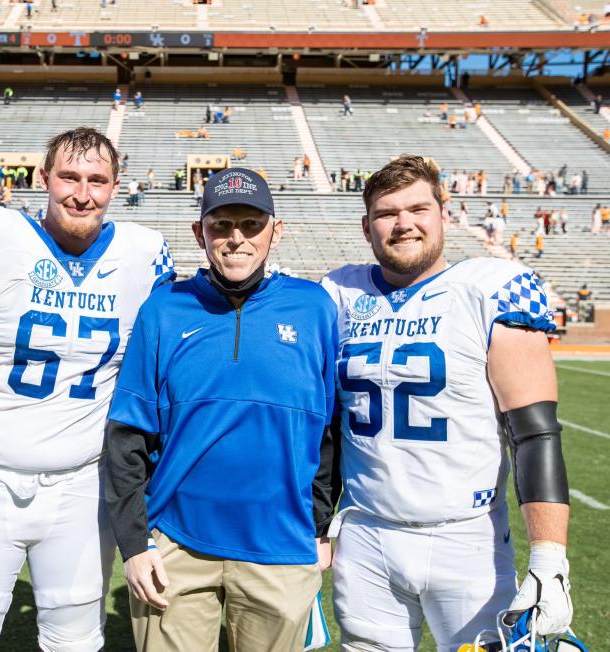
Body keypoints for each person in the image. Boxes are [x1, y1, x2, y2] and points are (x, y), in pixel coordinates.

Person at [0, 127, 175, 651]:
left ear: (116, 186)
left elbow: (156, 382)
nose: (82, 192)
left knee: (75, 637)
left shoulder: (144, 255)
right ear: (43, 179)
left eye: (97, 180)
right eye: (69, 177)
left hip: (82, 484)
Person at [321, 155, 573, 651]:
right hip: (366, 533)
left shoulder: (488, 288)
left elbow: (534, 431)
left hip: (465, 537)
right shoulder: (338, 292)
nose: (404, 223)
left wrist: (549, 559)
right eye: (387, 213)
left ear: (444, 213)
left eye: (418, 208)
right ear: (367, 226)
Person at [105, 167, 337, 651]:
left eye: (251, 224)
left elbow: (329, 433)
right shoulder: (163, 309)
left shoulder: (314, 308)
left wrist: (318, 528)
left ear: (276, 230)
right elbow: (127, 436)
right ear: (199, 232)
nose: (236, 239)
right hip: (175, 545)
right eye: (221, 225)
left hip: (282, 547)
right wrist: (134, 544)